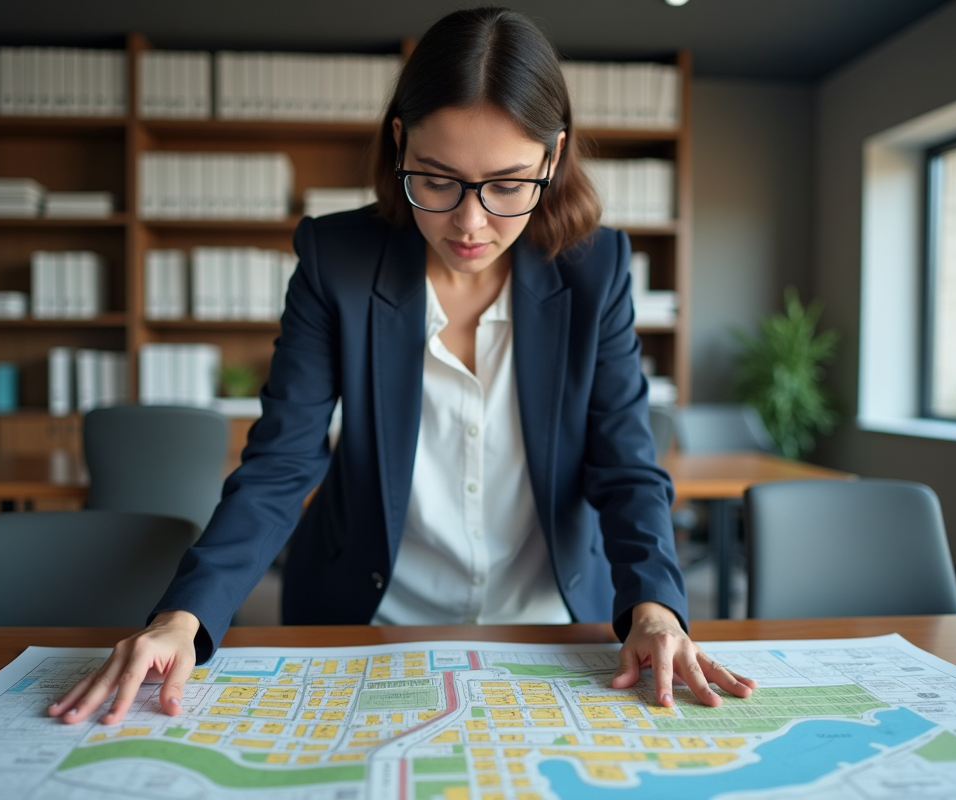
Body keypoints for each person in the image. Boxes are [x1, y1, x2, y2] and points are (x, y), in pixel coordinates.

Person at [50, 6, 755, 727]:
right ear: (399, 143)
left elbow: (625, 465)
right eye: (439, 180)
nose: (470, 223)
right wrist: (182, 617)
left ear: (552, 158)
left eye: (507, 185)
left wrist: (656, 608)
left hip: (550, 627)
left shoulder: (595, 268)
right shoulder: (337, 261)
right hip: (369, 622)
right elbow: (280, 464)